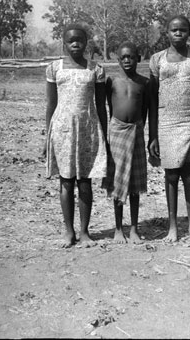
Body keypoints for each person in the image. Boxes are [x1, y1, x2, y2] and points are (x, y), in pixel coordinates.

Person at [148, 15, 190, 245]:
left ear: (189, 33)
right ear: (166, 33)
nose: (178, 33)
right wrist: (152, 135)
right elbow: (152, 100)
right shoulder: (157, 60)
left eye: (183, 30)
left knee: (189, 176)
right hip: (167, 124)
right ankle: (173, 227)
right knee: (171, 176)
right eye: (174, 30)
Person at [44, 23, 108, 248]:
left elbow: (101, 107)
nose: (75, 43)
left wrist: (105, 137)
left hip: (88, 130)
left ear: (86, 43)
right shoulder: (54, 68)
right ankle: (68, 231)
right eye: (71, 40)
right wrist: (47, 136)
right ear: (64, 42)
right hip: (62, 130)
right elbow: (51, 105)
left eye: (79, 40)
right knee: (66, 181)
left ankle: (84, 231)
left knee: (85, 181)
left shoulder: (95, 69)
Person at [102, 42, 149, 244]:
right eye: (123, 57)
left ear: (138, 58)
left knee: (135, 184)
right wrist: (108, 134)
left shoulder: (144, 83)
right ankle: (118, 229)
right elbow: (105, 109)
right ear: (118, 60)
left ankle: (134, 229)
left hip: (136, 132)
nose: (127, 60)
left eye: (131, 56)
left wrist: (140, 129)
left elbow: (145, 109)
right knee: (118, 182)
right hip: (117, 133)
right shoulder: (112, 81)